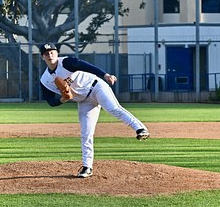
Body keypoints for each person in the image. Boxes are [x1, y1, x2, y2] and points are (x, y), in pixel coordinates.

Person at [38, 42, 149, 178]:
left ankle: (140, 129)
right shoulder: (45, 80)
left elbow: (86, 66)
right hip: (84, 101)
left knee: (113, 109)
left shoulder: (66, 62)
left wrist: (105, 75)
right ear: (42, 57)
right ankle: (87, 167)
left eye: (52, 52)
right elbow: (50, 101)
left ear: (57, 53)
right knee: (86, 133)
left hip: (96, 87)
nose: (50, 55)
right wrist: (63, 99)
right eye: (46, 53)